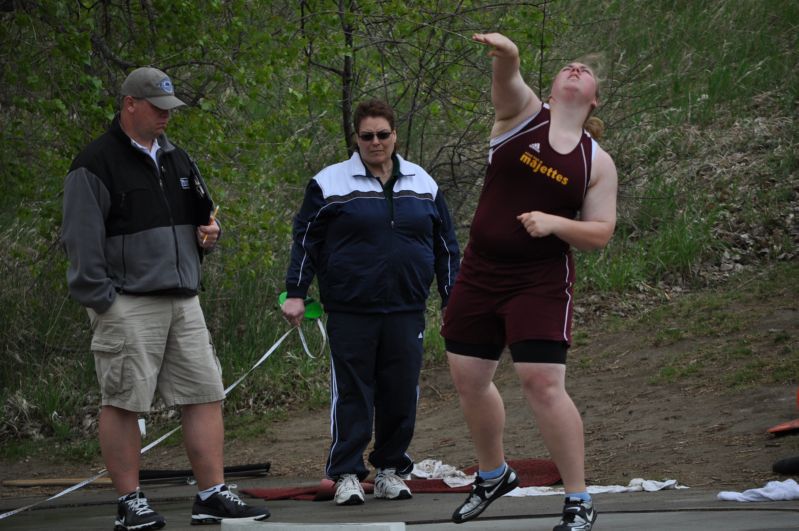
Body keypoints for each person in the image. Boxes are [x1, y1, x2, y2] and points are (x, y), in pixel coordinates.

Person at [61, 67, 270, 530]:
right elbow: (80, 243)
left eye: (170, 110)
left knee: (205, 392)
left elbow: (203, 220)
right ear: (130, 104)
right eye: (157, 109)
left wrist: (208, 239)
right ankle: (130, 502)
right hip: (127, 302)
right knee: (124, 401)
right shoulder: (93, 164)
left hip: (184, 298)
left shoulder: (178, 158)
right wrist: (105, 301)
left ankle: (211, 494)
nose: (165, 118)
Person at [441, 33, 618, 531]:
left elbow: (600, 233)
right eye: (568, 66)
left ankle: (579, 499)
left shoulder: (595, 161)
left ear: (595, 98)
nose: (576, 68)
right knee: (468, 378)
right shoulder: (521, 114)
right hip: (480, 270)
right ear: (554, 83)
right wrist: (510, 57)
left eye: (586, 70)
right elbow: (506, 81)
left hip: (538, 280)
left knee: (540, 381)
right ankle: (493, 474)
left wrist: (555, 222)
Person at [282, 99, 460, 506]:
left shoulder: (423, 183)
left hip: (406, 308)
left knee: (400, 393)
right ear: (356, 138)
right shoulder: (330, 183)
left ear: (395, 135)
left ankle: (392, 469)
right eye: (367, 136)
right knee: (353, 392)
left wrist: (454, 299)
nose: (375, 142)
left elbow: (447, 246)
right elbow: (306, 240)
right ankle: (345, 472)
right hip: (351, 308)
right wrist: (296, 292)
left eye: (383, 134)